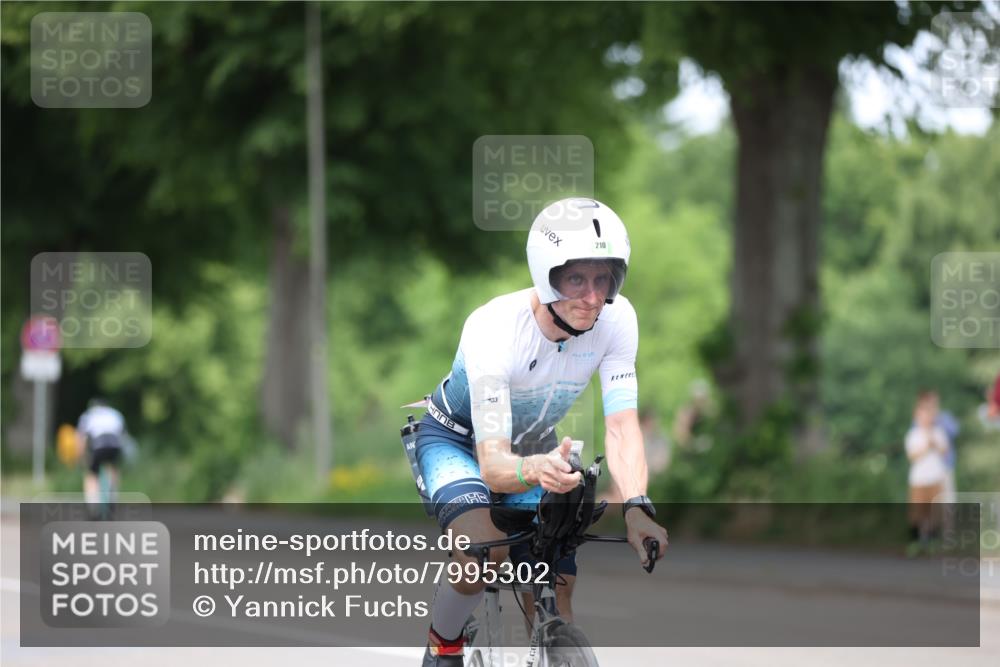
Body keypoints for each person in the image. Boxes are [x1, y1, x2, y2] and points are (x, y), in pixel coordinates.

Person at [414, 198, 669, 665]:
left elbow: (621, 427)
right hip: (458, 442)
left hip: (536, 450)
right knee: (479, 558)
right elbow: (493, 465)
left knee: (555, 585)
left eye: (603, 278)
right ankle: (443, 642)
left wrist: (636, 506)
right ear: (544, 273)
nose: (592, 297)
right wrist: (533, 468)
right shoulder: (494, 329)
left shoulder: (617, 319)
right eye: (576, 278)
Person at [905, 393, 950, 556]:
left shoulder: (938, 432)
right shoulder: (913, 434)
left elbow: (945, 451)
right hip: (918, 480)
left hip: (935, 477)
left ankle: (932, 542)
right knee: (917, 512)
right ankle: (915, 542)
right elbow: (912, 456)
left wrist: (934, 442)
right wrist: (926, 446)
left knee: (934, 512)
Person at [76, 398, 127, 508]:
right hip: (115, 444)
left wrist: (82, 457)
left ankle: (93, 503)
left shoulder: (89, 415)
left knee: (91, 474)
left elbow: (82, 439)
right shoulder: (115, 414)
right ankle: (112, 496)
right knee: (113, 468)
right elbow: (123, 435)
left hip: (99, 444)